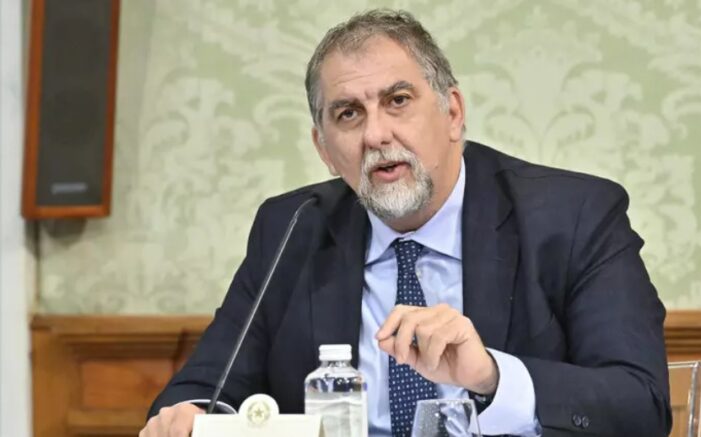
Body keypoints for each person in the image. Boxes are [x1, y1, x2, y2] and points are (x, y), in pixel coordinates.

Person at [141, 9, 671, 437]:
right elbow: (206, 388)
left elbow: (640, 405)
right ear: (324, 149)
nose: (376, 135)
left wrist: (491, 375)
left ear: (453, 113)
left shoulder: (574, 216)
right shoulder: (292, 228)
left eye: (397, 101)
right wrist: (189, 416)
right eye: (348, 114)